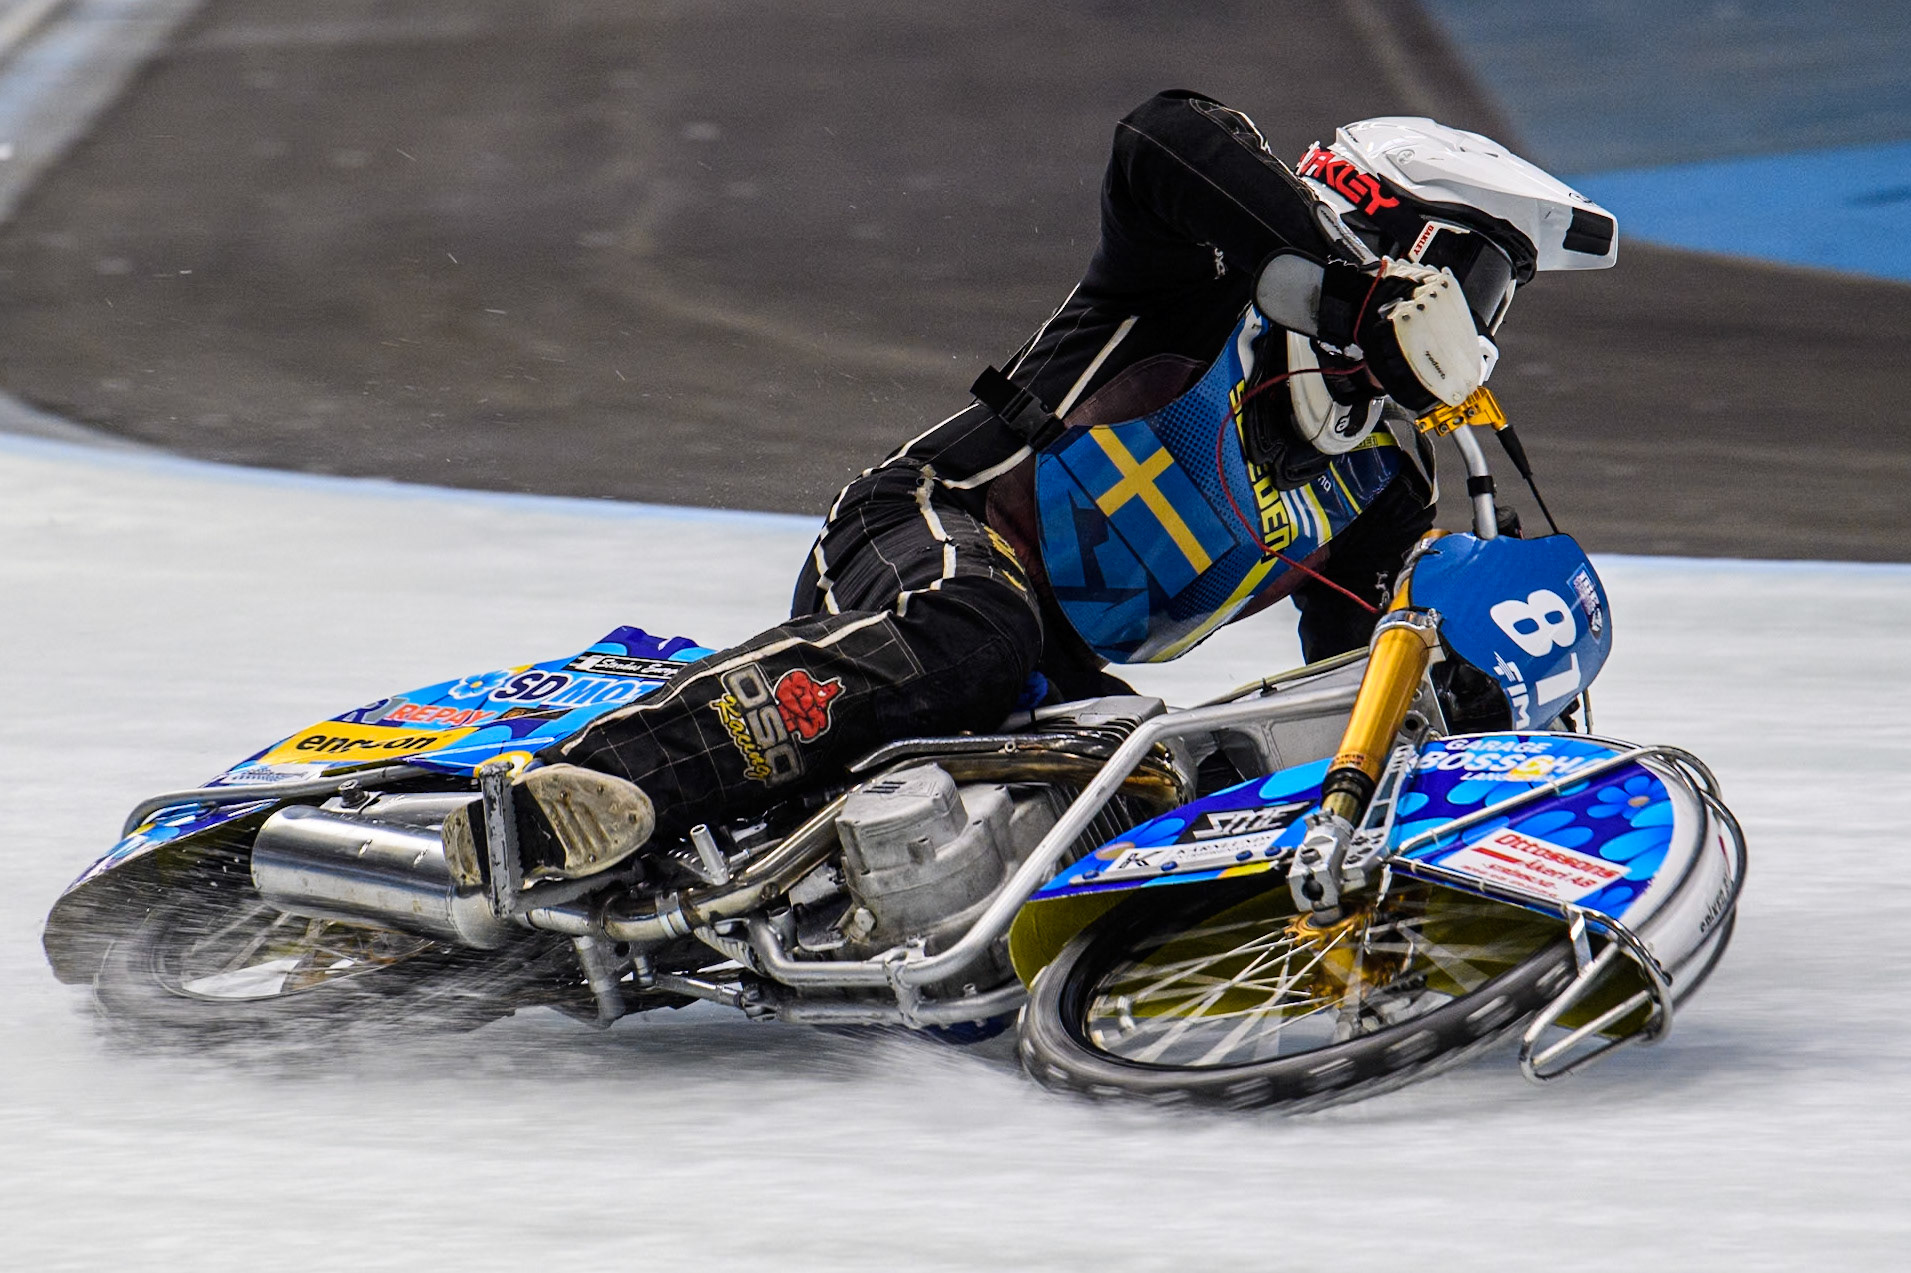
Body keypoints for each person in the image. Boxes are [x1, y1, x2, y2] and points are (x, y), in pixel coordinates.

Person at [441, 90, 1618, 888]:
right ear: (1381, 228)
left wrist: (1465, 706)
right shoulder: (1204, 279)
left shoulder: (1377, 485)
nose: (1478, 324)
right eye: (1471, 276)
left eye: (1496, 299)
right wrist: (1353, 298)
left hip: (1054, 669)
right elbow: (1164, 135)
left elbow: (1353, 685)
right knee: (977, 630)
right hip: (933, 526)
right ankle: (603, 781)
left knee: (1167, 772)